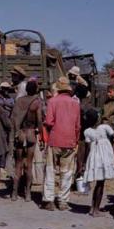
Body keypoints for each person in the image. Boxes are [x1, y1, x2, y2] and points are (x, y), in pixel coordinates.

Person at [42, 77, 81, 211]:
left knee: (50, 170)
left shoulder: (52, 101)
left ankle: (49, 200)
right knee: (67, 172)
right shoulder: (75, 103)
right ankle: (63, 201)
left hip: (55, 140)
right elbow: (78, 126)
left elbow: (49, 121)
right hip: (70, 141)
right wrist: (76, 140)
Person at [82, 109, 114, 217]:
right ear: (98, 118)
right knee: (100, 184)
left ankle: (93, 208)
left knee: (98, 184)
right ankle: (96, 210)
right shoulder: (104, 127)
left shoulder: (87, 131)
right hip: (104, 158)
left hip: (94, 158)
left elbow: (87, 149)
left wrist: (85, 162)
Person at [11, 80, 43, 202]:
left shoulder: (19, 101)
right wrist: (40, 133)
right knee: (28, 165)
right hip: (30, 134)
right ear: (35, 89)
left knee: (18, 164)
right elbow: (39, 120)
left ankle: (14, 192)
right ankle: (28, 194)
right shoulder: (36, 102)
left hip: (20, 134)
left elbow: (14, 118)